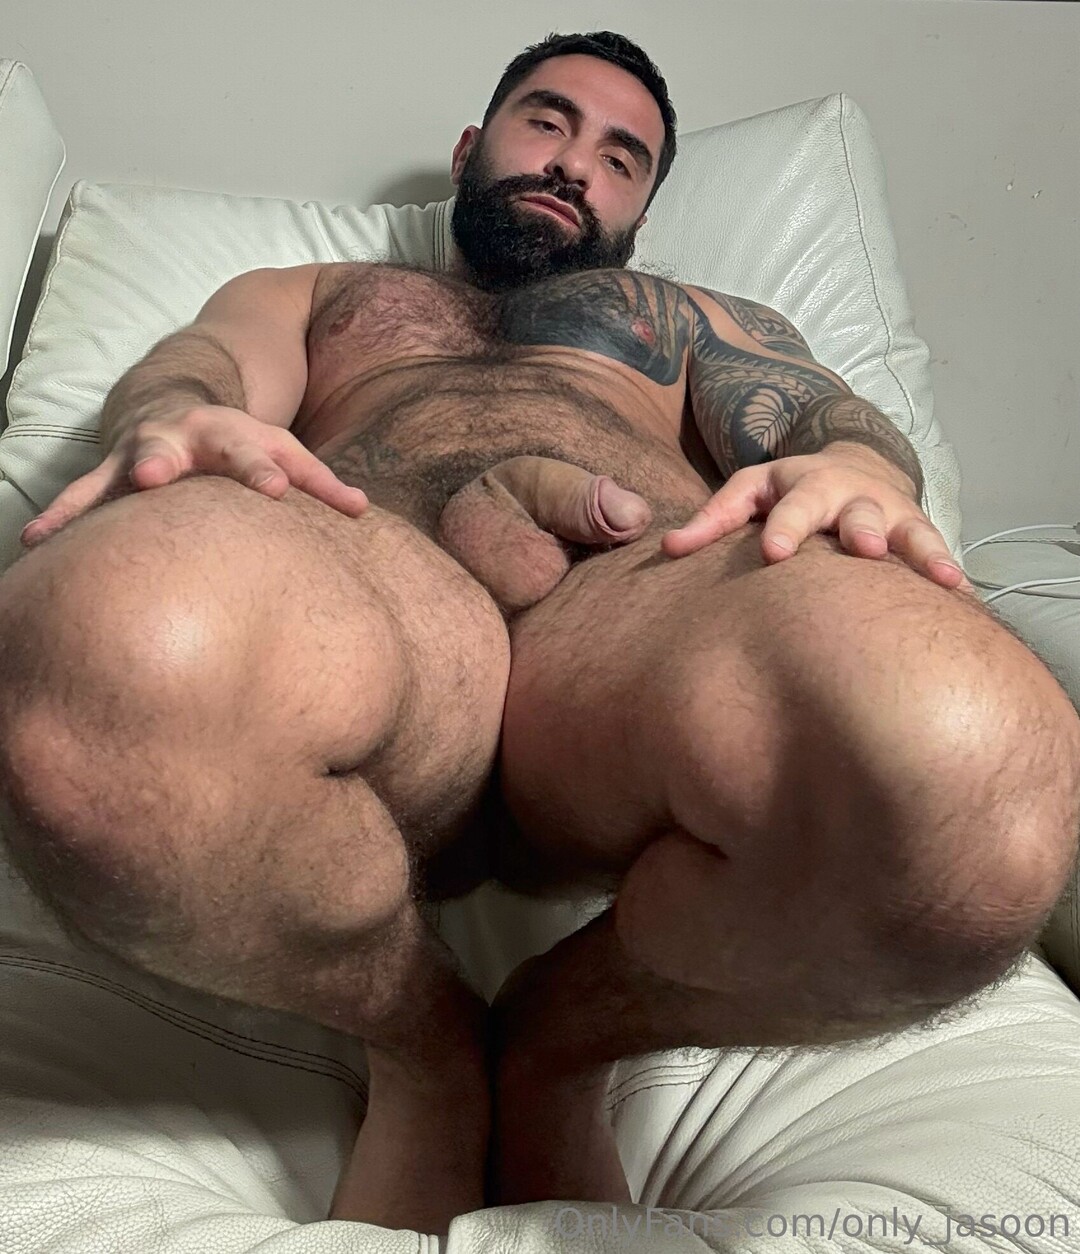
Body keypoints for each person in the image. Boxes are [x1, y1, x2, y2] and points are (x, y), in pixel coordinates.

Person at [1, 29, 1077, 1238]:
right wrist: (176, 417)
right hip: (373, 584)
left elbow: (820, 414)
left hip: (630, 609)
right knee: (101, 658)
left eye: (623, 158)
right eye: (549, 121)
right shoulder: (328, 293)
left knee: (977, 777)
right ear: (474, 147)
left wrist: (862, 469)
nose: (576, 164)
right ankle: (421, 1033)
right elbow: (202, 364)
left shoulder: (688, 316)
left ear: (642, 210)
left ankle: (561, 1038)